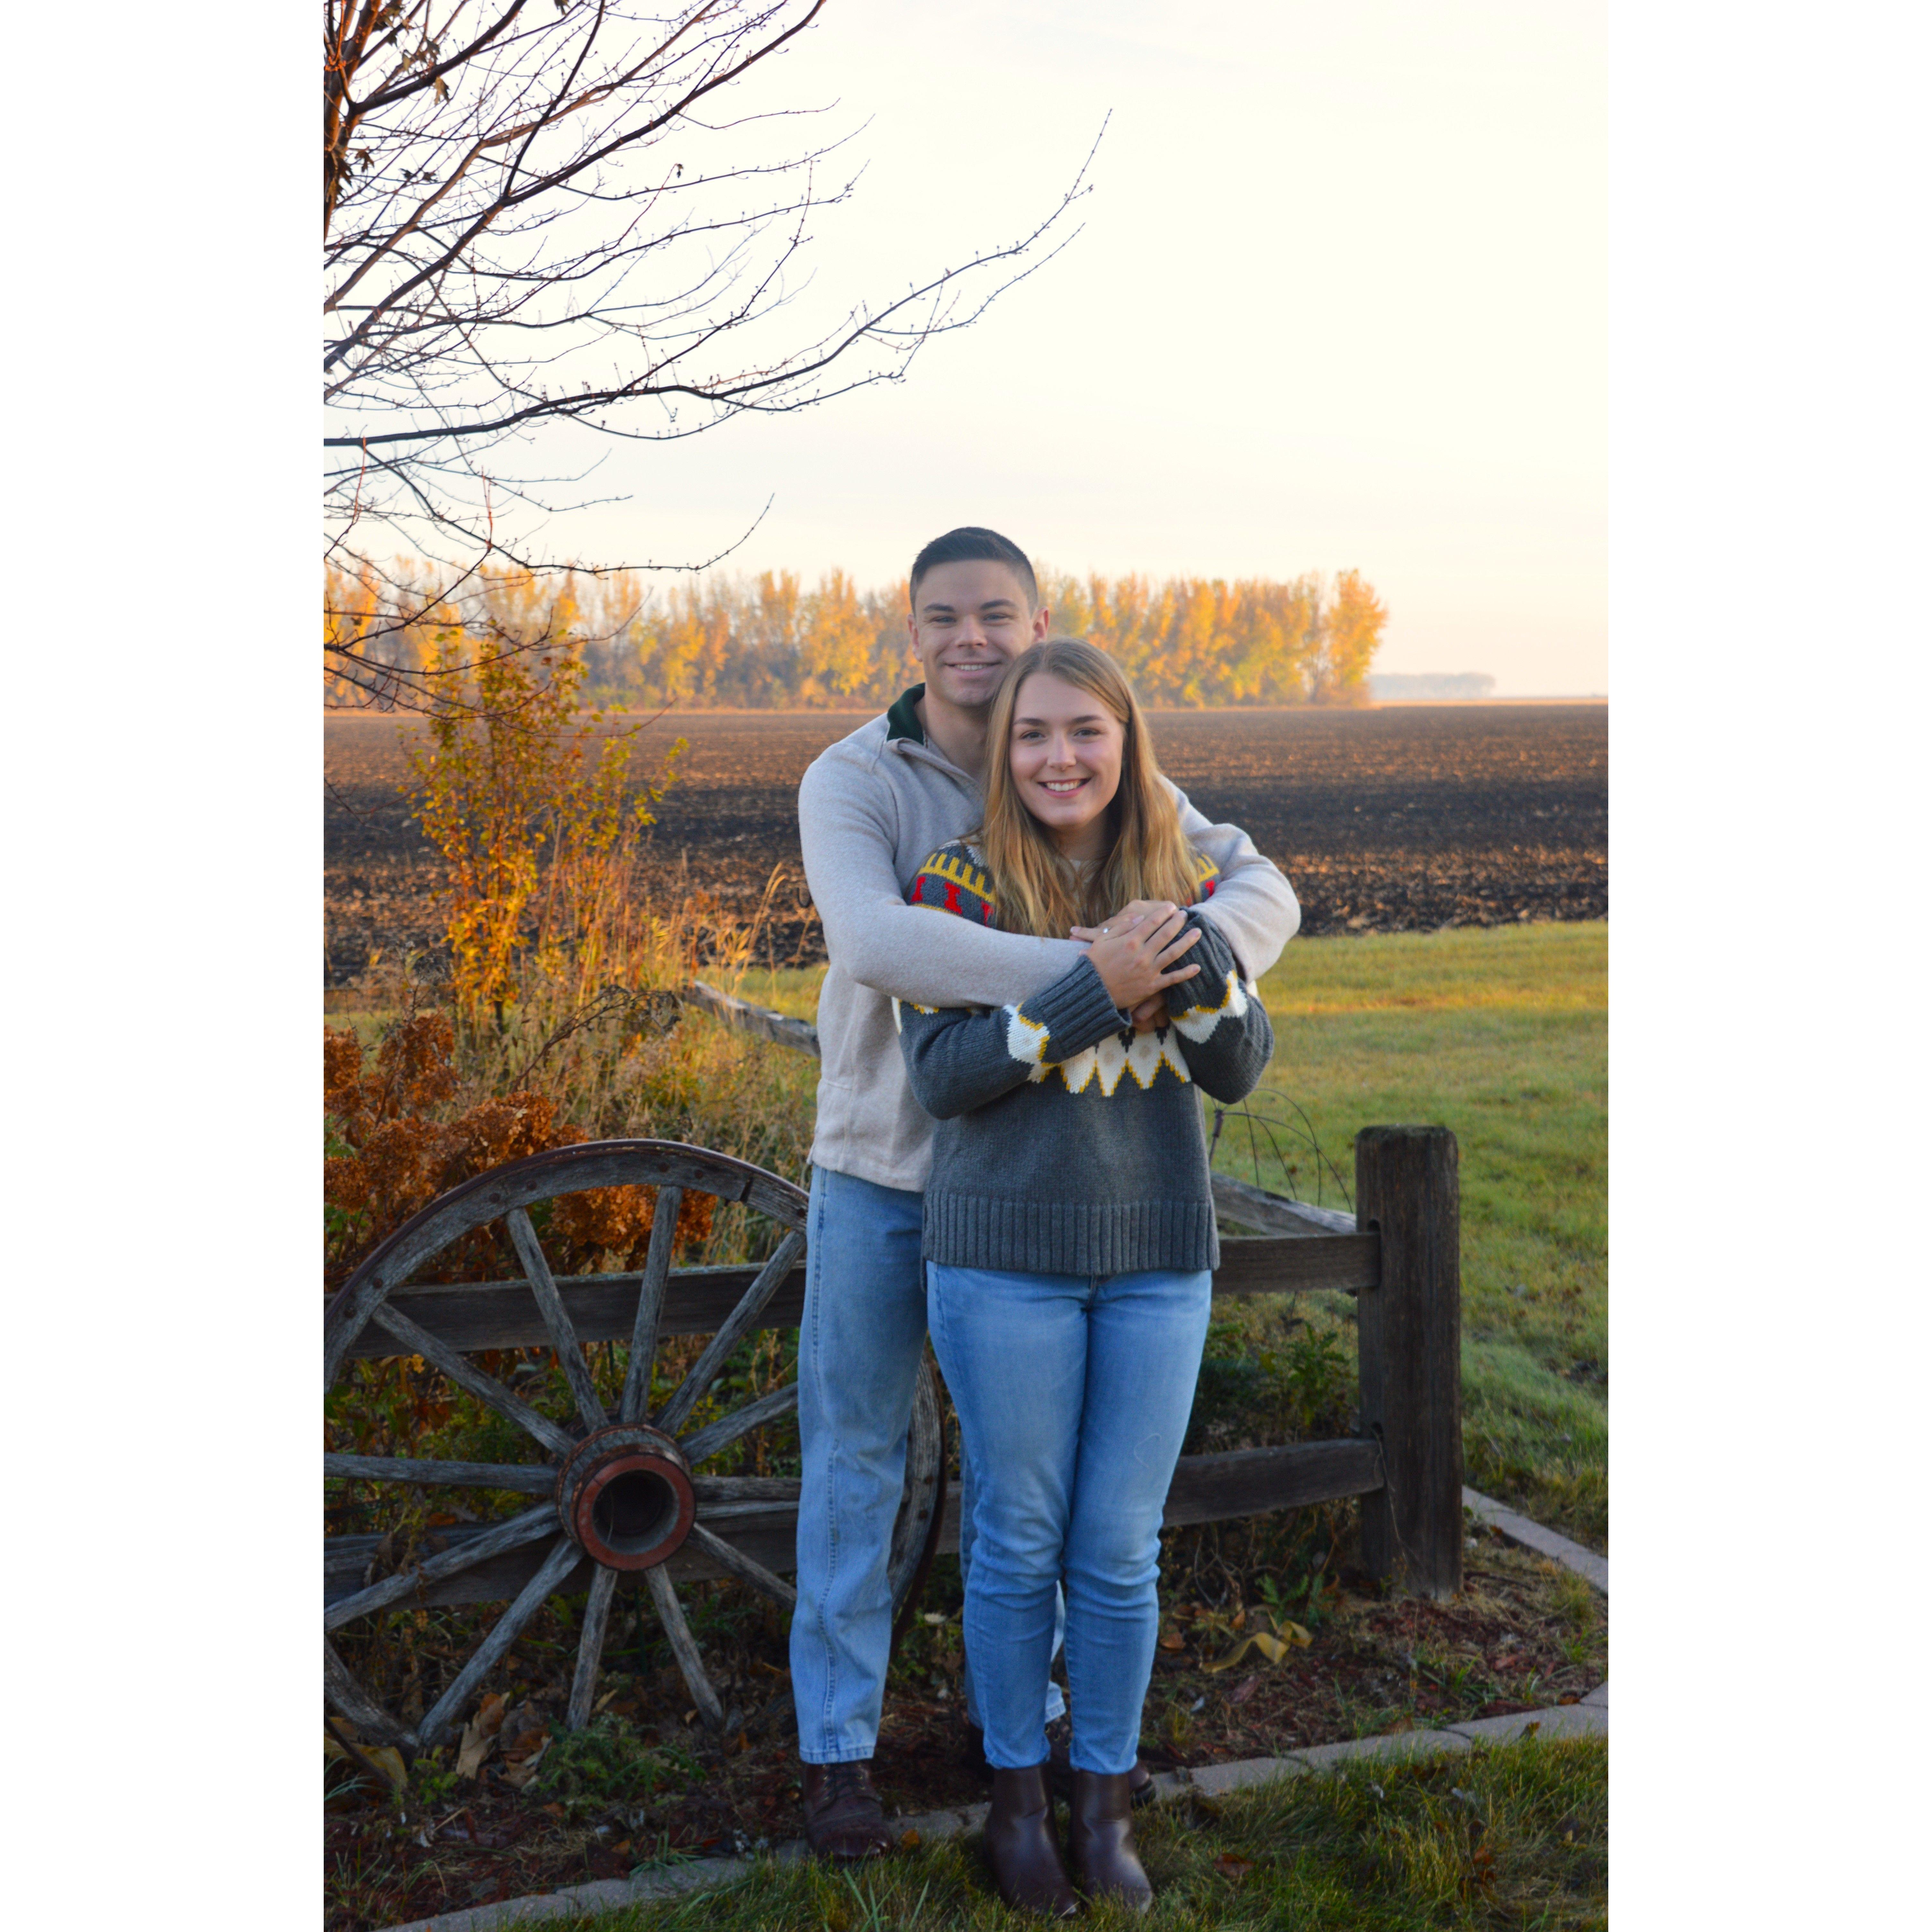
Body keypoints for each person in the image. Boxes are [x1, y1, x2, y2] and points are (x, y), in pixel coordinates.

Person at [790, 528, 1300, 1861]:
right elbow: (876, 940)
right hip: (885, 1157)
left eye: (996, 614)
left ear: (1036, 624)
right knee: (859, 1453)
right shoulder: (856, 777)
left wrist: (1182, 954)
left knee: (1042, 1492)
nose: (971, 637)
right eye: (944, 616)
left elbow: (1263, 888)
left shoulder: (1077, 741)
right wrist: (1098, 972)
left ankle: (1031, 1730)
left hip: (1043, 1182)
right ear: (912, 632)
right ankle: (839, 1752)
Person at [895, 639, 1274, 1915]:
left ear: (1126, 742)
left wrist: (1183, 967)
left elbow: (1238, 1070)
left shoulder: (1188, 881)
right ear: (1004, 751)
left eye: (1085, 732)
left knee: (1116, 1548)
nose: (1059, 757)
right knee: (1015, 1537)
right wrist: (1092, 992)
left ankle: (1103, 1804)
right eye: (1033, 734)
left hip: (1158, 1257)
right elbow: (944, 1079)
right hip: (1003, 1262)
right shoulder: (954, 884)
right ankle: (1015, 1805)